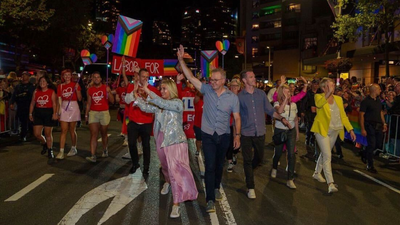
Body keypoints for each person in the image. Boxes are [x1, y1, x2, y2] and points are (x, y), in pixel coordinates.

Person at [177, 45, 240, 213]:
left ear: (224, 81)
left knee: (219, 165)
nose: (212, 82)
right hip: (208, 135)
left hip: (224, 135)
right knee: (210, 165)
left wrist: (238, 135)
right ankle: (210, 198)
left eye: (216, 80)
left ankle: (217, 186)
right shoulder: (206, 90)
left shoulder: (232, 98)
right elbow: (190, 76)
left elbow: (237, 118)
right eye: (211, 79)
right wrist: (181, 60)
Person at [134, 78, 198, 218]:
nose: (162, 91)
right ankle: (168, 182)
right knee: (165, 167)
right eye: (161, 89)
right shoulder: (160, 104)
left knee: (175, 171)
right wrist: (136, 96)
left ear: (172, 89)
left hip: (176, 141)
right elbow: (147, 107)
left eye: (164, 88)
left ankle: (176, 203)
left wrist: (147, 90)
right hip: (161, 139)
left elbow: (161, 102)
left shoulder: (177, 103)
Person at [238, 70, 289, 197]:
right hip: (246, 132)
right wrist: (236, 135)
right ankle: (250, 186)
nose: (254, 78)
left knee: (259, 158)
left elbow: (271, 111)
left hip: (260, 131)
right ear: (244, 80)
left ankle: (248, 173)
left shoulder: (261, 94)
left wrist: (281, 118)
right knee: (247, 160)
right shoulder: (239, 97)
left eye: (254, 76)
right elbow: (236, 117)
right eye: (251, 77)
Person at [311, 78, 356, 193]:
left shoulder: (339, 99)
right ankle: (330, 183)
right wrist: (327, 94)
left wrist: (350, 129)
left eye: (333, 85)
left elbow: (343, 116)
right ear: (323, 87)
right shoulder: (319, 96)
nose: (333, 86)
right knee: (327, 155)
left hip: (335, 130)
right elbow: (319, 105)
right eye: (330, 85)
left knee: (325, 153)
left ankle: (317, 172)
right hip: (322, 130)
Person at [125, 65, 160, 174]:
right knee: (131, 143)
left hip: (146, 122)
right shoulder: (132, 86)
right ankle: (135, 163)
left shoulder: (152, 89)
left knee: (146, 145)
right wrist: (134, 92)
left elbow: (157, 104)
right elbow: (126, 101)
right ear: (138, 77)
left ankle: (146, 167)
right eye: (143, 76)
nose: (145, 78)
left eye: (147, 77)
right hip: (134, 121)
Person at [271, 84, 297, 189]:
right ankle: (274, 167)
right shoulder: (277, 103)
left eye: (289, 91)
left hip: (291, 131)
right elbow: (279, 111)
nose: (288, 92)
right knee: (278, 153)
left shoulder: (294, 104)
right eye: (286, 91)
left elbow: (296, 119)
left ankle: (290, 179)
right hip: (280, 130)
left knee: (291, 154)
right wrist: (285, 100)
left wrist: (297, 133)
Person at [85, 72, 114, 163]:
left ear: (101, 79)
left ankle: (105, 149)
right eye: (95, 77)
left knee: (103, 133)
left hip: (104, 112)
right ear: (92, 79)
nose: (97, 79)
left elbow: (112, 101)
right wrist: (86, 114)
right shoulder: (90, 90)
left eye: (98, 77)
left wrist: (108, 92)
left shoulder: (106, 88)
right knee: (94, 134)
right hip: (93, 113)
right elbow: (89, 103)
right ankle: (93, 155)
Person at [28, 75, 58, 159]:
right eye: (41, 82)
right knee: (37, 134)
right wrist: (30, 113)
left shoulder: (51, 91)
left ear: (47, 83)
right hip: (38, 112)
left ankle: (50, 150)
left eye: (44, 81)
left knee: (48, 133)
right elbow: (32, 103)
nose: (42, 83)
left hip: (48, 112)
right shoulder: (36, 91)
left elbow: (54, 103)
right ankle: (44, 143)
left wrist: (55, 113)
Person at [359, 84, 387, 173]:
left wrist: (384, 123)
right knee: (372, 144)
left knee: (378, 144)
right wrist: (363, 128)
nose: (380, 91)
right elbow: (361, 115)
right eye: (379, 89)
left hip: (378, 125)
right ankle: (370, 165)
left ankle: (364, 153)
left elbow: (381, 112)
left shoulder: (378, 101)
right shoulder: (366, 101)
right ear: (374, 90)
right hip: (369, 125)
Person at [56, 69, 82, 159]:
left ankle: (74, 147)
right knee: (63, 130)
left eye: (68, 75)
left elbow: (79, 99)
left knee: (72, 129)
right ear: (63, 77)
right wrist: (58, 111)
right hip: (64, 106)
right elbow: (59, 99)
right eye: (65, 75)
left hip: (73, 106)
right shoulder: (60, 86)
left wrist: (77, 90)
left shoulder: (75, 85)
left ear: (71, 76)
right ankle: (61, 151)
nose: (67, 77)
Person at [10, 71, 35, 142]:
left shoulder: (31, 87)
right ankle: (23, 135)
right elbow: (14, 95)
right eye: (23, 75)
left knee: (30, 121)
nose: (24, 76)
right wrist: (12, 103)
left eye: (25, 75)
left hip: (29, 106)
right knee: (22, 121)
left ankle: (31, 133)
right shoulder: (18, 86)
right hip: (21, 106)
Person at [115, 79, 128, 146]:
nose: (123, 83)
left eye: (124, 82)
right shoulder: (119, 89)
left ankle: (126, 138)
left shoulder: (129, 88)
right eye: (122, 82)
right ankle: (124, 133)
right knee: (123, 122)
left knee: (127, 123)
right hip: (121, 109)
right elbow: (116, 96)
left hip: (127, 110)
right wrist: (117, 98)